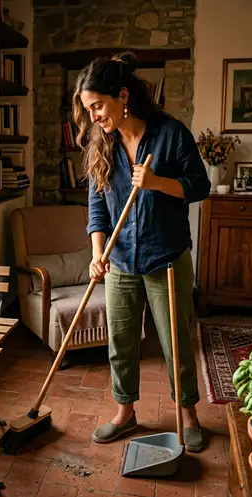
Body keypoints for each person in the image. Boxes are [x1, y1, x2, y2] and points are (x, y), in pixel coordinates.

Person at [72, 51, 210, 452]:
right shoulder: (102, 144)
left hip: (166, 257)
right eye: (88, 108)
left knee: (176, 340)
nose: (94, 116)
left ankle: (187, 413)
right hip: (120, 260)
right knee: (122, 338)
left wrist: (157, 182)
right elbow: (98, 206)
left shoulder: (171, 134)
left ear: (122, 95)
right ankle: (125, 411)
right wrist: (98, 254)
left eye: (98, 105)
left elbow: (198, 186)